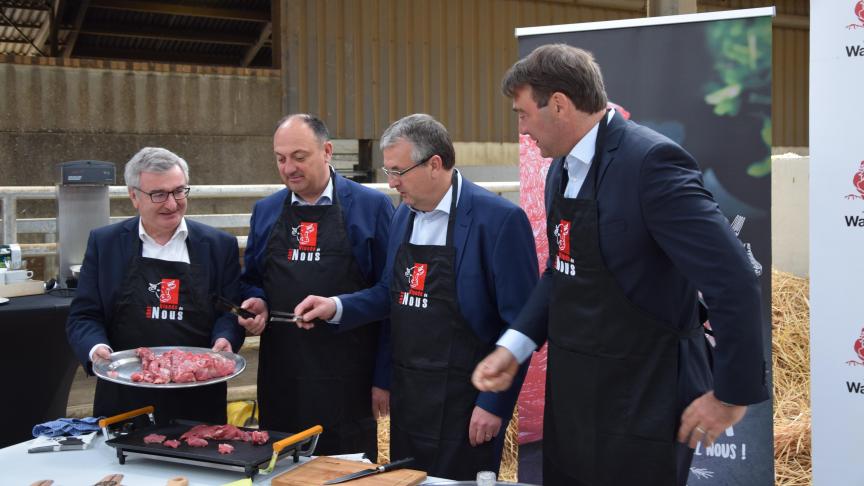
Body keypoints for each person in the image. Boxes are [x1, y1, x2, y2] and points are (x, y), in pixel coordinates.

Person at [471, 44, 769, 486]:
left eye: (523, 113)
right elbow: (562, 269)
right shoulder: (561, 170)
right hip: (577, 394)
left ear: (558, 104)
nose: (522, 129)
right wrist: (513, 348)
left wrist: (731, 394)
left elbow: (734, 278)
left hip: (645, 395)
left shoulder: (651, 164)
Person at [294, 114, 538, 480]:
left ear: (434, 164)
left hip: (467, 401)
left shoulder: (499, 220)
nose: (391, 183)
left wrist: (494, 405)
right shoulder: (403, 216)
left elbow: (521, 325)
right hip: (410, 398)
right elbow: (391, 295)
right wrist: (336, 306)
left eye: (397, 171)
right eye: (387, 170)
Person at [237, 114, 393, 459]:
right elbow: (251, 281)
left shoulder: (371, 207)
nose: (288, 167)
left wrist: (383, 377)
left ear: (327, 151)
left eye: (299, 156)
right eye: (280, 158)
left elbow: (390, 293)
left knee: (344, 471)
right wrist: (256, 301)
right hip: (282, 373)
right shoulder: (265, 211)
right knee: (280, 468)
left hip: (348, 375)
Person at [67, 147, 245, 425]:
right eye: (159, 195)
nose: (172, 204)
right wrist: (96, 349)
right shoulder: (106, 244)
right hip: (124, 395)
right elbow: (84, 316)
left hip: (198, 397)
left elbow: (230, 312)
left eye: (179, 191)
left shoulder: (218, 246)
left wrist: (226, 338)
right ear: (133, 196)